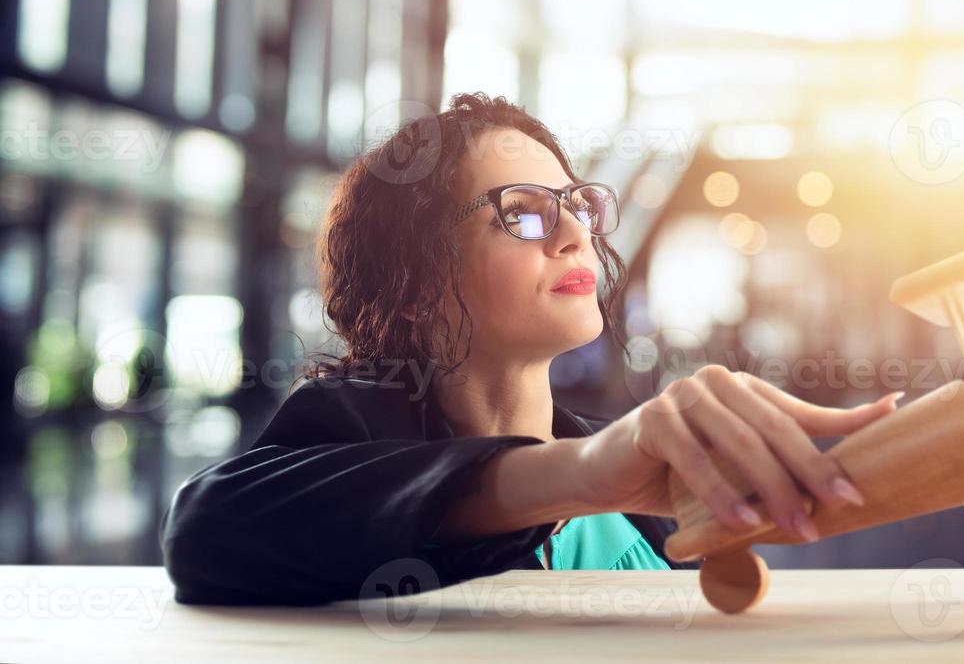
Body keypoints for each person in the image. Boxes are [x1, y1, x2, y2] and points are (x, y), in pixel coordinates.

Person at [160, 92, 900, 605]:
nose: (577, 233)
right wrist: (580, 475)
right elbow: (207, 529)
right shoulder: (346, 429)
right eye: (523, 213)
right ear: (415, 279)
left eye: (578, 205)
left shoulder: (632, 482)